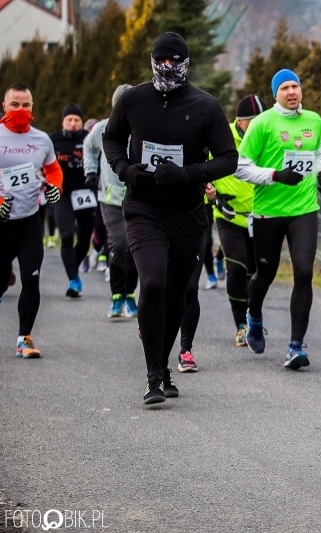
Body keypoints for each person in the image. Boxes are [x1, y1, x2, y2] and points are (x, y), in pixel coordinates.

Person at [103, 32, 238, 405]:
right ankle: (151, 376)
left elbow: (229, 158)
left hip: (187, 213)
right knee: (153, 282)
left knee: (178, 292)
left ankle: (163, 367)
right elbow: (110, 139)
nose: (167, 68)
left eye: (175, 61)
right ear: (152, 61)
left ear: (186, 63)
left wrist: (188, 174)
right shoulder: (133, 99)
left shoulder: (206, 105)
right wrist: (125, 170)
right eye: (161, 61)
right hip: (144, 208)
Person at [234, 69, 321, 370]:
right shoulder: (263, 124)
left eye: (296, 86)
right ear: (275, 93)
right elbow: (240, 167)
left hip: (304, 209)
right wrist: (275, 176)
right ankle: (254, 317)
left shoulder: (314, 120)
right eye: (285, 88)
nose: (292, 92)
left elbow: (317, 153)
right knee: (265, 274)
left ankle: (295, 345)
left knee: (304, 272)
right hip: (269, 212)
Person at [0, 84, 63, 357]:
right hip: (0, 223)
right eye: (15, 104)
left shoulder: (41, 140)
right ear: (5, 106)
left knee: (31, 279)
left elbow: (54, 170)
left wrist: (56, 188)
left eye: (26, 105)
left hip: (28, 222)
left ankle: (24, 338)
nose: (21, 110)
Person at [205, 94, 263, 348]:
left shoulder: (266, 136)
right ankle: (241, 324)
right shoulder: (222, 135)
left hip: (260, 215)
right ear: (241, 121)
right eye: (254, 121)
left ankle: (253, 317)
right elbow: (202, 167)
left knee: (255, 272)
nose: (259, 125)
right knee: (237, 266)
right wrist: (212, 194)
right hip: (228, 214)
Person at [83, 83, 139, 320]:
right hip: (110, 199)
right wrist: (91, 171)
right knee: (119, 244)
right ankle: (117, 296)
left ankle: (130, 297)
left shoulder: (142, 128)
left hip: (138, 198)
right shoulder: (102, 128)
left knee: (136, 248)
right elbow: (88, 147)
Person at [50, 102, 93, 298]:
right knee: (66, 235)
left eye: (77, 120)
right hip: (63, 194)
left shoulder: (89, 139)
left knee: (85, 238)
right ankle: (73, 279)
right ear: (63, 122)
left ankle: (74, 268)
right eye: (69, 120)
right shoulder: (53, 140)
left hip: (85, 194)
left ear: (82, 122)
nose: (73, 123)